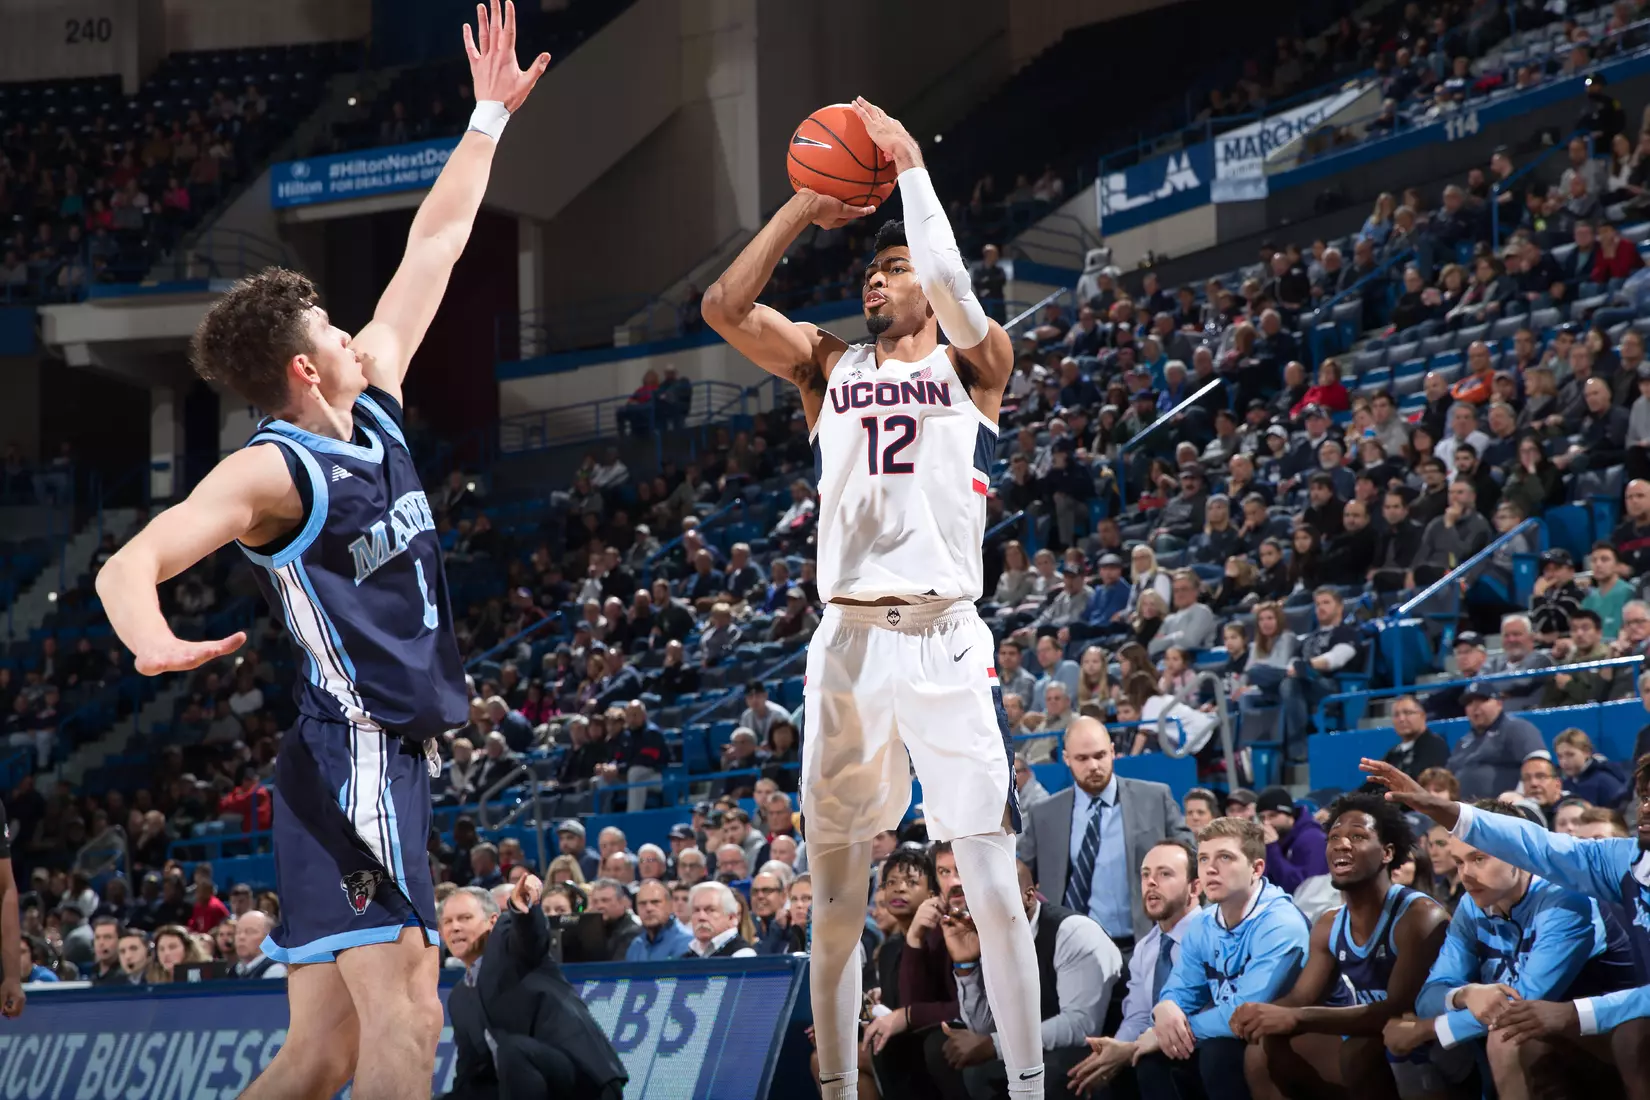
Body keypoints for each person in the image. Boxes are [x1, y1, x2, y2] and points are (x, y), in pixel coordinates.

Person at [91, 9, 548, 1096]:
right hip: (355, 756)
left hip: (361, 760)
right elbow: (129, 562)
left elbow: (431, 245)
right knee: (411, 1002)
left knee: (320, 1054)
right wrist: (152, 640)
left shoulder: (376, 400)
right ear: (304, 370)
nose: (355, 331)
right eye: (333, 329)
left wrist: (485, 117)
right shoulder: (273, 472)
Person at [702, 97, 1044, 1100]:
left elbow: (950, 278)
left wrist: (908, 172)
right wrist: (803, 209)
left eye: (888, 270)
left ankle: (1027, 1087)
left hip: (944, 634)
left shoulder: (976, 364)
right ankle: (844, 1090)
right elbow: (724, 308)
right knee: (838, 888)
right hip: (848, 639)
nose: (875, 281)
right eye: (869, 272)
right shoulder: (826, 365)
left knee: (986, 872)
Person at [1361, 760, 1650, 1098]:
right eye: (1643, 797)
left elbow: (1527, 1001)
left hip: (1606, 1027)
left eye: (1479, 859)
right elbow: (1431, 995)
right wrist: (1465, 994)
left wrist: (1428, 1028)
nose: (1644, 809)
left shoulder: (1566, 902)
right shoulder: (1628, 859)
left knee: (1511, 1035)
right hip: (1570, 1026)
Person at [1230, 794, 1455, 1100]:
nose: (1341, 844)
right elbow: (1302, 997)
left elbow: (1396, 1010)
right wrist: (1260, 1012)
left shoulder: (1419, 916)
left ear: (1387, 853)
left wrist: (1297, 1017)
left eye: (1358, 836)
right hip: (1370, 1037)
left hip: (1431, 1046)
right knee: (1261, 1050)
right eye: (1334, 837)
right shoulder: (1329, 924)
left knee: (1359, 1053)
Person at [1134, 818, 1315, 1100]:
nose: (1210, 868)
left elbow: (1243, 1012)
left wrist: (1163, 1035)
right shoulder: (1204, 923)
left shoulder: (1281, 924)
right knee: (1152, 1063)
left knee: (1218, 1054)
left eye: (1225, 857)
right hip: (1232, 1037)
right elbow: (1180, 989)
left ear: (1256, 869)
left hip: (1298, 1039)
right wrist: (1166, 1008)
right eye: (1204, 858)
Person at [929, 860, 1123, 1099]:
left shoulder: (1072, 932)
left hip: (1102, 1049)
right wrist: (966, 965)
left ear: (1029, 896)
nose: (985, 905)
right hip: (1037, 1045)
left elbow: (1080, 1025)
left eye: (996, 894)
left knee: (1047, 1072)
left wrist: (994, 1045)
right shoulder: (989, 936)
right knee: (947, 1054)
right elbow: (984, 1028)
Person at [438, 876, 627, 1100]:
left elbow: (530, 935)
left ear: (493, 921)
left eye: (465, 918)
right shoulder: (458, 998)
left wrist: (521, 907)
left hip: (581, 1079)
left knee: (512, 1050)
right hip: (523, 1087)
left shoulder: (510, 947)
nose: (455, 927)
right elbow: (471, 1074)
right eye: (448, 922)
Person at [1017, 717, 1193, 947]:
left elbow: (1191, 858)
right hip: (1071, 949)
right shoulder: (1044, 814)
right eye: (1082, 758)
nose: (1093, 766)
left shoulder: (1154, 798)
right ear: (1066, 759)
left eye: (1100, 755)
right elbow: (1019, 873)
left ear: (1112, 752)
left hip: (1144, 942)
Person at [1068, 840, 1202, 1098]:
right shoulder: (1146, 948)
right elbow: (1138, 1017)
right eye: (1145, 874)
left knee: (1151, 1067)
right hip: (1151, 1047)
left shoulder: (1211, 934)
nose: (1151, 882)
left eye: (1165, 874)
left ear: (1195, 887)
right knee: (1089, 1073)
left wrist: (1130, 1049)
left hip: (1199, 1046)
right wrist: (1114, 1051)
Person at [1443, 683, 1545, 800]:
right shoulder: (1463, 741)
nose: (1475, 707)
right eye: (1469, 703)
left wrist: (1520, 795)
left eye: (1482, 700)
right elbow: (1447, 775)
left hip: (1502, 808)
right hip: (1465, 810)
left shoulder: (1516, 728)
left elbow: (1539, 761)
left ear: (1499, 703)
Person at [1255, 787, 1329, 896]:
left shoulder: (1312, 839)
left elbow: (1302, 889)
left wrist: (1273, 849)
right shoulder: (1280, 839)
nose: (1267, 823)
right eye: (1262, 818)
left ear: (1290, 814)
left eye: (1273, 815)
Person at [1381, 695, 1450, 780]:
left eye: (1407, 713)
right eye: (1396, 715)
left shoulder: (1436, 746)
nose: (1401, 719)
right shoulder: (1393, 753)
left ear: (1423, 716)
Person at [682, 881, 756, 958]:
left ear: (731, 917)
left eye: (710, 910)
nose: (701, 917)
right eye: (696, 910)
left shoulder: (743, 955)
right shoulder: (687, 956)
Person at [231, 911, 288, 979]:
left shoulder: (275, 969)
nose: (241, 937)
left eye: (250, 931)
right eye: (238, 932)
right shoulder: (233, 971)